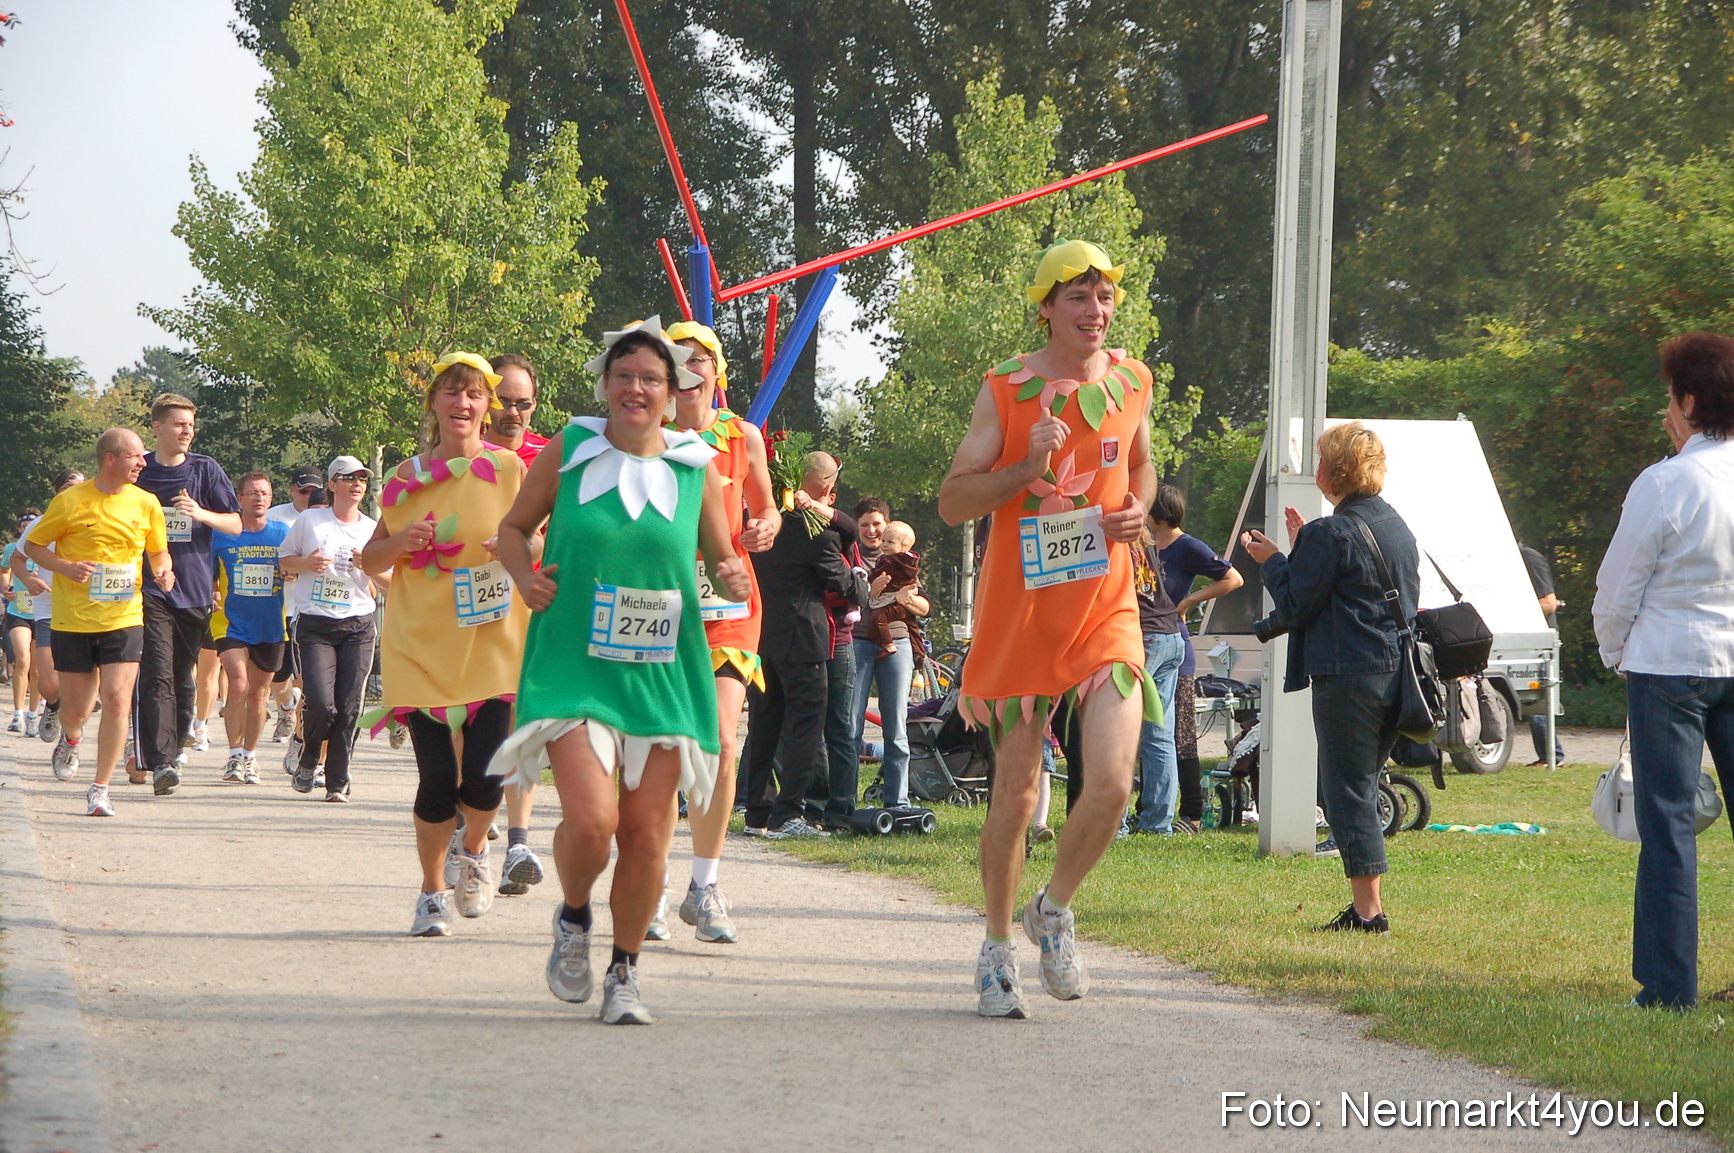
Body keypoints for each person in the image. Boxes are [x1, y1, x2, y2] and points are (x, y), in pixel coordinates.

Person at [488, 317, 750, 1024]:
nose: (637, 389)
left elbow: (725, 561)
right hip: (574, 662)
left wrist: (734, 569)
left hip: (662, 672)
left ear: (674, 394)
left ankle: (625, 971)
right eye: (625, 376)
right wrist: (524, 576)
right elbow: (512, 529)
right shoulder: (569, 450)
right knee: (595, 818)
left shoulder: (698, 466)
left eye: (652, 380)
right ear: (606, 383)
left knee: (645, 835)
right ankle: (574, 917)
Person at [938, 239, 1161, 1018]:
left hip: (1106, 608)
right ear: (1046, 306)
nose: (1094, 312)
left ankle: (1054, 908)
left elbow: (1140, 463)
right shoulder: (1005, 388)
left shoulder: (1133, 380)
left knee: (1111, 783)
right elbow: (953, 501)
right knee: (1017, 794)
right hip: (1023, 616)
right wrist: (1019, 466)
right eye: (1077, 298)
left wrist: (1137, 508)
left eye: (1103, 298)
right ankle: (998, 947)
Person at [360, 353, 529, 937]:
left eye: (475, 395)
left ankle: (476, 852)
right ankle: (432, 890)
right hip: (420, 646)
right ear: (434, 402)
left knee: (484, 778)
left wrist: (510, 547)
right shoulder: (404, 479)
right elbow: (370, 558)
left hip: (492, 644)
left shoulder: (510, 469)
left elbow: (539, 542)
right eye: (452, 393)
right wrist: (403, 540)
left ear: (488, 407)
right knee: (436, 779)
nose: (463, 404)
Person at [1592, 331, 1734, 1010]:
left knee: (1670, 828)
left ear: (1690, 399)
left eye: (1669, 400)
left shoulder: (1667, 480)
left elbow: (1620, 585)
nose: (1665, 414)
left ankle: (1670, 989)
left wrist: (1612, 647)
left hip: (1670, 666)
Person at [1241, 420, 1419, 934]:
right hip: (1396, 676)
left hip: (1349, 677)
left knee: (1347, 792)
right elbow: (1352, 591)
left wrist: (1275, 560)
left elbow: (1297, 604)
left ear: (1334, 470)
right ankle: (1370, 908)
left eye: (1320, 459)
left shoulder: (1330, 531)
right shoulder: (1396, 525)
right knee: (1359, 786)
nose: (1315, 468)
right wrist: (1302, 550)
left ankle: (1369, 914)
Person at [664, 321, 778, 941]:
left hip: (730, 606)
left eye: (699, 359)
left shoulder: (744, 436)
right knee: (658, 749)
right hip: (658, 606)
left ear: (716, 372)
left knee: (720, 744)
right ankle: (648, 881)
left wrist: (765, 526)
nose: (689, 371)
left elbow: (767, 507)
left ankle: (704, 884)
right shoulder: (645, 439)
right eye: (676, 361)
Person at [21, 430, 172, 816]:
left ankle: (100, 788)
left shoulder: (147, 503)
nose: (143, 463)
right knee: (77, 711)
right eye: (136, 457)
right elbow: (35, 547)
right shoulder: (70, 501)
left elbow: (159, 552)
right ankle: (71, 738)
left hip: (124, 617)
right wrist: (66, 567)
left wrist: (164, 572)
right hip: (74, 621)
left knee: (119, 700)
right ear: (110, 458)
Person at [742, 451, 859, 839]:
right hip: (803, 641)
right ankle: (789, 812)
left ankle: (758, 810)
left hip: (761, 635)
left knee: (763, 724)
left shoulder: (759, 524)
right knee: (805, 728)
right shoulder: (816, 534)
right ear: (827, 490)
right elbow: (843, 584)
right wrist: (860, 582)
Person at [132, 393, 242, 795]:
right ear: (157, 427)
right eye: (179, 424)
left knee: (182, 676)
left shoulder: (205, 469)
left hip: (195, 590)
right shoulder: (140, 470)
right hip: (149, 586)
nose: (187, 431)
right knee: (156, 670)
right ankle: (159, 760)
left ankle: (174, 749)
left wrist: (200, 514)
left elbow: (235, 524)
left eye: (191, 425)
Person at [483, 352, 552, 897]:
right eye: (503, 401)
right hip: (464, 616)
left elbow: (568, 537)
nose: (513, 412)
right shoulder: (456, 459)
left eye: (522, 403)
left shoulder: (553, 457)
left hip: (529, 613)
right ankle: (471, 831)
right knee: (469, 732)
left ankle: (519, 841)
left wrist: (525, 545)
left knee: (520, 725)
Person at [280, 456, 381, 800]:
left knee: (350, 705)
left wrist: (369, 564)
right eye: (348, 478)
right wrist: (307, 563)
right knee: (323, 705)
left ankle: (338, 781)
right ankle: (309, 757)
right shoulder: (311, 520)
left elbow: (389, 580)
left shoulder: (372, 528)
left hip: (358, 624)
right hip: (316, 624)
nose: (357, 484)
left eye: (362, 479)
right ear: (333, 485)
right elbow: (285, 561)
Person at [1151, 484, 1242, 831]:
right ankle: (1154, 807)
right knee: (1151, 732)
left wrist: (1189, 601)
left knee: (1181, 732)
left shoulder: (1187, 546)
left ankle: (1191, 812)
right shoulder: (1148, 548)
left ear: (1159, 514)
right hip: (1149, 642)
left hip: (1177, 649)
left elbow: (1232, 578)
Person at [848, 499, 931, 811]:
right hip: (859, 642)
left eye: (877, 525)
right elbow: (851, 602)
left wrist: (901, 598)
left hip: (898, 643)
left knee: (896, 726)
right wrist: (872, 593)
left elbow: (924, 607)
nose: (872, 532)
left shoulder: (903, 561)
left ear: (889, 527)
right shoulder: (850, 555)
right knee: (850, 726)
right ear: (857, 529)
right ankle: (845, 801)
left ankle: (898, 802)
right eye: (865, 525)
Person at [212, 473, 290, 783]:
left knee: (259, 695)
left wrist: (293, 573)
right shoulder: (223, 534)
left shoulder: (282, 534)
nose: (259, 498)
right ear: (240, 499)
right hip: (231, 624)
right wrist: (211, 590)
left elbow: (295, 565)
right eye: (252, 493)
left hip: (270, 626)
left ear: (271, 500)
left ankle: (250, 755)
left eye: (265, 494)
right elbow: (206, 572)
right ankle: (233, 756)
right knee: (239, 684)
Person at [15, 471, 84, 746]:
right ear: (57, 492)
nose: (72, 492)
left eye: (79, 487)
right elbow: (19, 559)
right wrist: (30, 579)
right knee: (49, 684)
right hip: (49, 608)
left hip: (85, 610)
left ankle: (71, 737)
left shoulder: (97, 521)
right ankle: (53, 706)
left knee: (83, 685)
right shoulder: (42, 523)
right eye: (67, 487)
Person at [1130, 523, 1186, 834]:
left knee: (1117, 732)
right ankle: (1158, 823)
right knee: (1159, 735)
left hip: (1142, 636)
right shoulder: (1145, 537)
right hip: (1170, 634)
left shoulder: (1114, 539)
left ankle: (1115, 824)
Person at [266, 467, 324, 742]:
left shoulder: (328, 519)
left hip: (307, 607)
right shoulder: (275, 516)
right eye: (303, 491)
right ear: (291, 490)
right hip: (278, 605)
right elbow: (262, 553)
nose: (308, 496)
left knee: (304, 673)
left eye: (314, 491)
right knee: (278, 673)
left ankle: (300, 730)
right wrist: (281, 570)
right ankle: (285, 707)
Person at [1516, 541, 1567, 766]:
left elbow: (1549, 603)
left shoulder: (1530, 558)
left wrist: (1510, 606)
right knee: (1533, 701)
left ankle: (1552, 756)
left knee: (1537, 698)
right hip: (1524, 636)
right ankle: (1550, 755)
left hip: (1540, 638)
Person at [3, 508, 42, 732]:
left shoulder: (48, 549)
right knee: (22, 660)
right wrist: (6, 588)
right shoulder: (12, 549)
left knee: (37, 670)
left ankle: (33, 715)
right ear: (20, 530)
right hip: (18, 612)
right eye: (24, 527)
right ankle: (17, 714)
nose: (27, 530)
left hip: (42, 614)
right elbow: (4, 571)